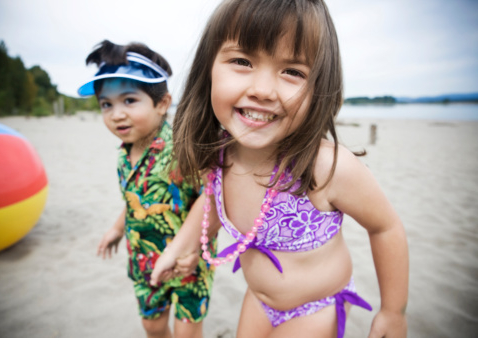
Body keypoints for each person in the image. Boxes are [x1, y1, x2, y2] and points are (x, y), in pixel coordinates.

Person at [150, 0, 409, 337]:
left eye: (293, 72)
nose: (262, 90)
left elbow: (386, 227)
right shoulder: (221, 154)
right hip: (258, 299)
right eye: (242, 61)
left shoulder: (325, 167)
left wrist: (393, 310)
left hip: (316, 309)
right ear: (207, 70)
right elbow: (211, 204)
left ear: (320, 87)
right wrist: (177, 248)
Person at [78, 40, 216, 338]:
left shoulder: (182, 147)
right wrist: (117, 228)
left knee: (187, 332)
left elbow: (213, 198)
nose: (116, 114)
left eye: (129, 100)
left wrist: (193, 249)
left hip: (188, 262)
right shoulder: (123, 153)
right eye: (106, 104)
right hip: (144, 258)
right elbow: (135, 199)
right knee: (152, 326)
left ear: (162, 103)